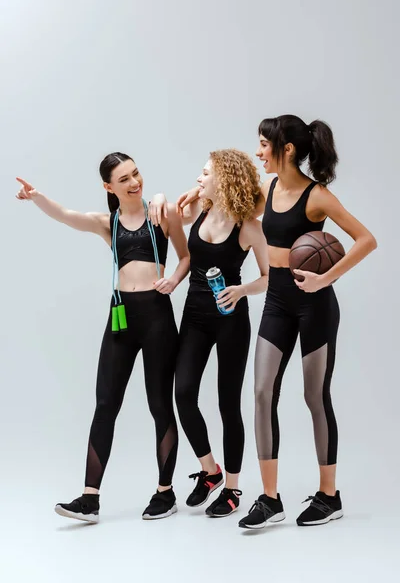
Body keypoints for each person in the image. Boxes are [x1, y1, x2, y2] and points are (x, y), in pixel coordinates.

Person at [175, 116, 377, 528]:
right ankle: (270, 499)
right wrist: (197, 192)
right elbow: (228, 202)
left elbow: (366, 239)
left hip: (314, 305)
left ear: (286, 149)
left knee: (314, 398)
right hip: (277, 303)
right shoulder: (266, 190)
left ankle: (329, 496)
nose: (258, 151)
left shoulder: (317, 196)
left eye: (264, 144)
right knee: (262, 393)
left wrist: (326, 277)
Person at [15, 152, 190, 522]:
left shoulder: (162, 213)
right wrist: (37, 197)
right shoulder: (107, 223)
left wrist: (173, 279)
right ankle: (90, 498)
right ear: (108, 187)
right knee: (105, 404)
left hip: (157, 316)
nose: (134, 182)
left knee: (160, 405)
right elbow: (66, 216)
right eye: (124, 178)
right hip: (121, 318)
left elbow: (185, 257)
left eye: (136, 173)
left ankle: (165, 492)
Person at [150, 149, 269, 517]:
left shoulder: (249, 225)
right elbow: (167, 213)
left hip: (231, 317)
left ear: (224, 179)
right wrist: (158, 197)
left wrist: (241, 290)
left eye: (205, 173)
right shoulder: (198, 209)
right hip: (196, 315)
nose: (199, 178)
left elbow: (268, 277)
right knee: (183, 393)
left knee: (228, 404)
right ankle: (209, 470)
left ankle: (232, 489)